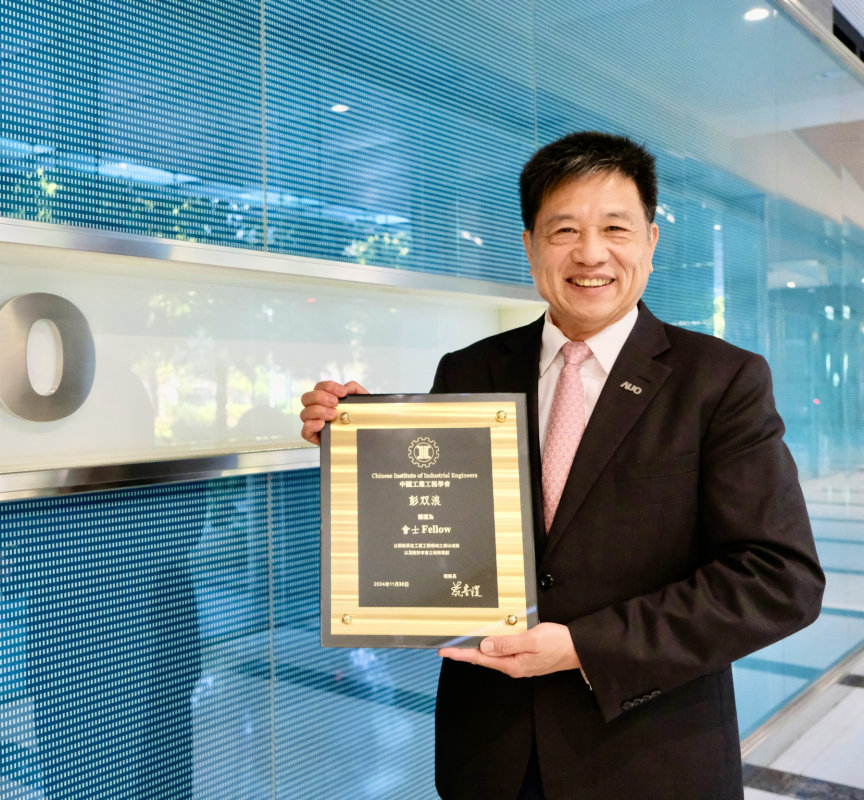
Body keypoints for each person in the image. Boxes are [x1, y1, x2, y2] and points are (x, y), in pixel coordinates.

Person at [299, 132, 824, 800]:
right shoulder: (470, 371)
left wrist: (584, 646)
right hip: (489, 752)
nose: (591, 253)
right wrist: (362, 449)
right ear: (529, 246)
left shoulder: (719, 380)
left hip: (646, 755)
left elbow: (779, 579)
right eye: (564, 230)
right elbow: (441, 536)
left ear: (651, 241)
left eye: (615, 228)